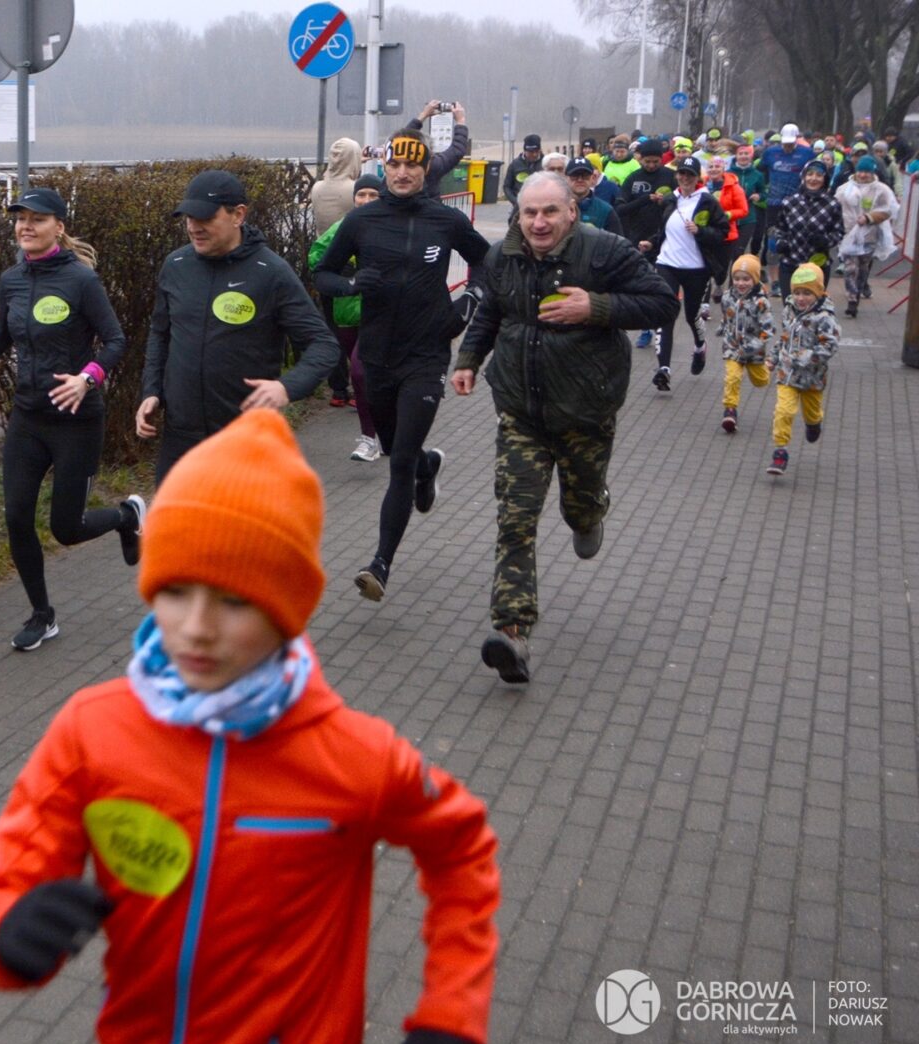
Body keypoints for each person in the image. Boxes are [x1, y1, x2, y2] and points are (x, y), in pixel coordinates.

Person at [0, 408, 501, 1044]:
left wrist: (452, 1012)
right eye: (175, 590)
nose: (195, 627)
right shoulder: (91, 733)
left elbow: (461, 849)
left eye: (234, 600)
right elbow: (10, 877)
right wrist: (5, 929)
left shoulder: (352, 755)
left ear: (287, 608)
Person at [452, 172, 678, 683]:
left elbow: (663, 302)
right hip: (520, 410)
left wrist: (595, 307)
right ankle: (512, 633)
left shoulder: (604, 252)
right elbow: (491, 311)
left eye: (550, 211)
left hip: (584, 410)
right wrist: (468, 359)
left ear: (571, 212)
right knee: (515, 519)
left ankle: (589, 512)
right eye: (529, 212)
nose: (538, 222)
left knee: (579, 506)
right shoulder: (502, 256)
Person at [0, 188, 141, 652]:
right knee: (15, 516)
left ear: (59, 227)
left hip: (75, 420)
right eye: (20, 218)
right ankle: (42, 615)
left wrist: (87, 378)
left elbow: (115, 340)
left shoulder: (81, 280)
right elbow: (1, 334)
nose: (25, 226)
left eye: (37, 218)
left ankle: (126, 516)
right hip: (29, 417)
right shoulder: (11, 280)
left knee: (66, 529)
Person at [313, 129, 491, 603]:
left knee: (400, 462)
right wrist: (352, 285)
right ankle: (428, 466)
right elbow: (323, 273)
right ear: (385, 167)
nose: (403, 173)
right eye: (395, 164)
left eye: (413, 165)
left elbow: (487, 262)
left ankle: (380, 564)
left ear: (426, 169)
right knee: (394, 448)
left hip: (427, 353)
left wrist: (470, 300)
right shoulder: (362, 220)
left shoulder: (445, 220)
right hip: (376, 354)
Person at [138, 170, 340, 484]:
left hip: (246, 438)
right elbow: (160, 334)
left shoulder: (271, 272)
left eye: (205, 218)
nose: (193, 227)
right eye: (189, 217)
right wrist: (151, 391)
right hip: (181, 437)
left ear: (238, 215)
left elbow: (323, 345)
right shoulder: (176, 266)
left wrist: (286, 387)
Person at [309, 174, 386, 461]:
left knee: (361, 373)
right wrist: (345, 271)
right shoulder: (345, 226)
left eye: (373, 195)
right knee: (362, 376)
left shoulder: (391, 227)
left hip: (379, 315)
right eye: (361, 195)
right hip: (346, 313)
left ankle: (372, 436)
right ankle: (376, 434)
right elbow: (317, 256)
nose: (366, 200)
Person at [638, 156, 732, 387]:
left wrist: (700, 231)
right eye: (681, 174)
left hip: (696, 268)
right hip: (667, 264)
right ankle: (664, 369)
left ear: (697, 177)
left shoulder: (707, 201)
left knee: (691, 315)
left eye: (690, 174)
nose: (685, 178)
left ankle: (700, 346)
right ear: (677, 175)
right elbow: (665, 232)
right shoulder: (671, 199)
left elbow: (723, 232)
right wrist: (651, 243)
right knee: (666, 313)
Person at [767, 263, 839, 477]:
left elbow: (830, 346)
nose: (800, 298)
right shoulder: (789, 311)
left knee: (812, 412)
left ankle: (814, 423)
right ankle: (780, 451)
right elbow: (785, 338)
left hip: (812, 378)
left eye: (807, 293)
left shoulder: (824, 317)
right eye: (797, 292)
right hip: (787, 374)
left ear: (818, 293)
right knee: (784, 411)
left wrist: (805, 357)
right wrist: (773, 358)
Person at [311, 137, 365, 405]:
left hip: (325, 263)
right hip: (351, 264)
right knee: (356, 327)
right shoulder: (355, 189)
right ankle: (359, 387)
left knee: (332, 327)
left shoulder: (318, 187)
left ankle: (338, 390)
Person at [615, 139, 676, 349]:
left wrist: (665, 202)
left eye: (655, 161)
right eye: (647, 161)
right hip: (638, 237)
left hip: (665, 237)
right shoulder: (633, 178)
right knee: (642, 284)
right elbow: (620, 209)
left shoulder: (670, 176)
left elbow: (681, 204)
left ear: (661, 159)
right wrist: (645, 200)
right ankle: (645, 329)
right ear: (640, 159)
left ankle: (662, 326)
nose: (651, 165)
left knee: (663, 284)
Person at [834, 157, 899, 317]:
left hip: (870, 235)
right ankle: (852, 301)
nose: (863, 175)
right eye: (860, 171)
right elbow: (835, 207)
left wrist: (869, 218)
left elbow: (888, 210)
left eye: (867, 172)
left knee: (863, 269)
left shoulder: (881, 190)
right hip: (848, 234)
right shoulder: (845, 189)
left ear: (872, 172)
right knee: (850, 268)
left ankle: (858, 291)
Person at [718, 253, 775, 434]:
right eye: (737, 279)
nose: (741, 283)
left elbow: (768, 329)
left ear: (755, 279)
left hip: (753, 350)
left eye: (746, 279)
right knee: (732, 377)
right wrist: (722, 327)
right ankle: (730, 411)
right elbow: (727, 316)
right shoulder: (727, 297)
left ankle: (767, 367)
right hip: (732, 346)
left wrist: (756, 345)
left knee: (761, 381)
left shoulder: (761, 302)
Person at [773, 160, 844, 301]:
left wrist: (826, 241)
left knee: (813, 307)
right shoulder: (789, 201)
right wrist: (781, 242)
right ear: (803, 177)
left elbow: (839, 232)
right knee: (790, 305)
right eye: (810, 174)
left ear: (825, 179)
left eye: (819, 175)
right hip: (791, 262)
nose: (813, 178)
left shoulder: (832, 204)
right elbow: (780, 228)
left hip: (817, 264)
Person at [703, 153, 750, 311]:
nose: (714, 169)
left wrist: (726, 215)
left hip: (726, 234)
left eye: (717, 166)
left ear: (723, 168)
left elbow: (743, 210)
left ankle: (719, 284)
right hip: (705, 233)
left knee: (721, 270)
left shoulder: (734, 187)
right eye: (711, 166)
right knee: (704, 268)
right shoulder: (702, 185)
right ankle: (704, 304)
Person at [403, 98, 473, 189]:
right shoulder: (432, 166)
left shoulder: (398, 165)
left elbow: (402, 140)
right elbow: (457, 150)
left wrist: (423, 115)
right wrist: (461, 121)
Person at [731, 144, 769, 262]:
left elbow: (763, 193)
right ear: (736, 156)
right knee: (729, 250)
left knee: (739, 251)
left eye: (746, 154)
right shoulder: (728, 173)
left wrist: (759, 196)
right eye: (740, 154)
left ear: (751, 156)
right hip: (730, 217)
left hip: (748, 218)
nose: (743, 156)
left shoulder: (757, 175)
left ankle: (736, 273)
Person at [566, 156, 622, 234]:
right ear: (566, 178)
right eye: (574, 176)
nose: (580, 179)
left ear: (592, 178)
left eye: (585, 176)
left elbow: (618, 240)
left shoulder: (605, 210)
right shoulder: (557, 208)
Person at [503, 133, 544, 213]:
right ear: (525, 151)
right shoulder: (515, 164)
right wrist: (515, 202)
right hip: (519, 207)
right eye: (531, 152)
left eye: (537, 151)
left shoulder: (546, 163)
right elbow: (507, 187)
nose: (534, 154)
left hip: (541, 206)